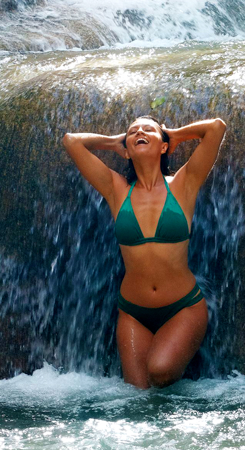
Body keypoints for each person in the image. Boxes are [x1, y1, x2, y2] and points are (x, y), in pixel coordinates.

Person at [62, 115, 227, 388]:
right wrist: (115, 143)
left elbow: (216, 128)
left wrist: (172, 135)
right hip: (132, 313)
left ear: (163, 146)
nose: (139, 131)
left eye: (148, 129)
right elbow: (71, 142)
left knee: (159, 371)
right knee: (137, 399)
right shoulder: (116, 189)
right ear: (126, 150)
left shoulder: (183, 183)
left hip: (182, 308)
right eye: (132, 131)